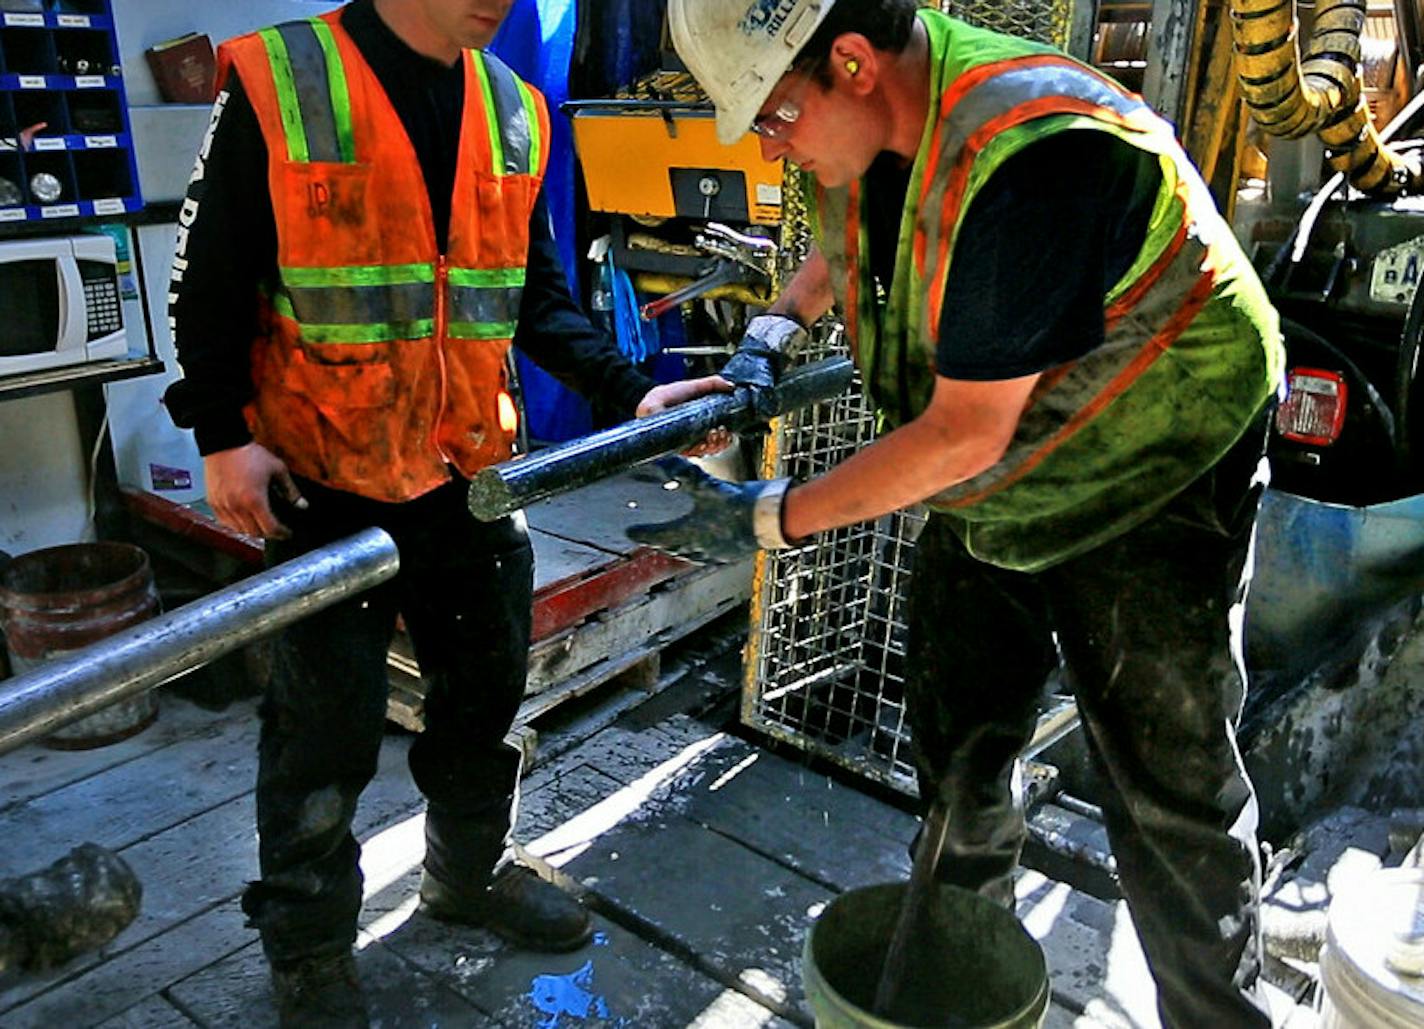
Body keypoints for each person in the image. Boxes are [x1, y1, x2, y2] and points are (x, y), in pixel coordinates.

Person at [632, 1, 1285, 1025]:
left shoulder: (1033, 154)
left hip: (1154, 460)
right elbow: (845, 230)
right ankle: (951, 982)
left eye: (772, 118)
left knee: (1167, 792)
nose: (771, 142)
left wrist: (765, 516)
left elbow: (957, 437)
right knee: (961, 747)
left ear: (849, 62)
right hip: (1007, 470)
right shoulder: (866, 120)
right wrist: (763, 340)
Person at [162, 1, 718, 1023]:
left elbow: (531, 294)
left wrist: (626, 389)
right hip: (316, 481)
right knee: (318, 734)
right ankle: (311, 946)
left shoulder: (512, 106)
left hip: (466, 476)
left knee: (481, 701)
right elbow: (209, 274)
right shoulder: (288, 78)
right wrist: (217, 433)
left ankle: (465, 874)